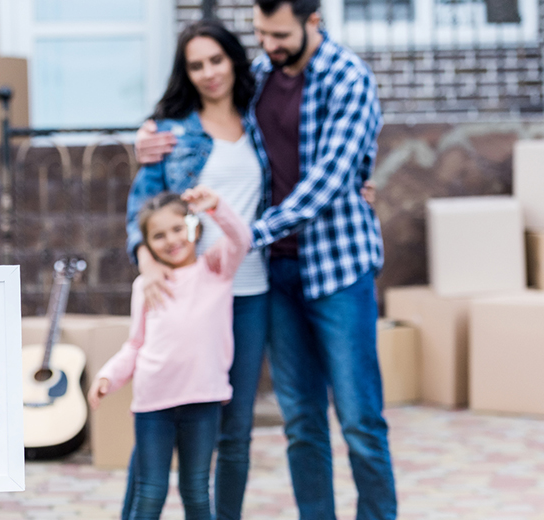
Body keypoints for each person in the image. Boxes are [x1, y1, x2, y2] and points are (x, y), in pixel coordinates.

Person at [135, 1, 398, 519]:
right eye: (260, 34)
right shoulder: (260, 73)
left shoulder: (349, 78)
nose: (268, 45)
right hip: (277, 273)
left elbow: (326, 181)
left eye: (279, 35)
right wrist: (148, 134)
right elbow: (208, 116)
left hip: (338, 267)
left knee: (360, 420)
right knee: (301, 421)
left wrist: (244, 234)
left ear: (313, 23)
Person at [122, 19, 269, 520]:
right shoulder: (169, 131)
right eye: (196, 65)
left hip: (251, 289)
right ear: (185, 73)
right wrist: (145, 259)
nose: (209, 73)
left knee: (236, 430)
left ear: (233, 60)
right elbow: (140, 208)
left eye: (217, 60)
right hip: (189, 292)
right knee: (160, 419)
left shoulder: (261, 119)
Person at [91, 187, 251, 520]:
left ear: (193, 227)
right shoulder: (146, 285)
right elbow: (135, 345)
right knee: (150, 491)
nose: (171, 240)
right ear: (147, 245)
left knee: (196, 491)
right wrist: (109, 375)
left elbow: (242, 239)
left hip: (203, 401)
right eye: (159, 235)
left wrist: (217, 207)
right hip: (154, 406)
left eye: (178, 229)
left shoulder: (216, 270)